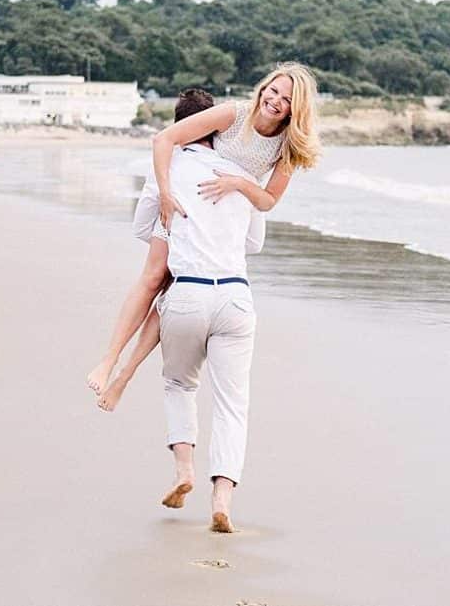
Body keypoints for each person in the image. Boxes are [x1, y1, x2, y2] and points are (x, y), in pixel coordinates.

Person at [87, 62, 322, 410]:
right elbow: (164, 139)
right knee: (153, 277)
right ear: (263, 87)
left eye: (286, 99)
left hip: (219, 223)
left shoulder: (287, 146)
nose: (274, 100)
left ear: (295, 109)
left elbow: (268, 200)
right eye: (273, 90)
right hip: (183, 204)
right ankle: (108, 361)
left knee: (172, 294)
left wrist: (241, 183)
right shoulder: (234, 114)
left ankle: (126, 374)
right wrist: (165, 194)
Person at [152, 129, 264, 532]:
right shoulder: (243, 174)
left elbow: (145, 224)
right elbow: (254, 243)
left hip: (188, 293)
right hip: (234, 295)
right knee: (232, 404)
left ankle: (184, 470)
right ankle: (222, 498)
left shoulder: (169, 166)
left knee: (180, 385)